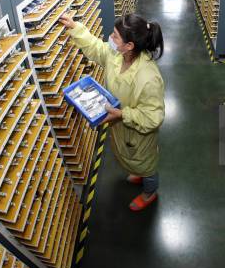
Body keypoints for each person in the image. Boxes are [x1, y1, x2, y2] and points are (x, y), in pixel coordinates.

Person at [59, 13, 165, 211]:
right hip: (121, 129)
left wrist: (122, 114)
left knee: (147, 166)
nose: (111, 37)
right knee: (134, 161)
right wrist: (75, 28)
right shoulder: (118, 54)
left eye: (115, 36)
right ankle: (139, 172)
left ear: (129, 45)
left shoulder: (148, 78)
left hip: (139, 135)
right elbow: (96, 48)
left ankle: (150, 191)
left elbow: (153, 118)